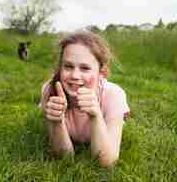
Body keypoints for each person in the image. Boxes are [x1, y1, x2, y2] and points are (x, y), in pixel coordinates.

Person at [40, 30, 130, 168]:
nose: (75, 75)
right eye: (68, 66)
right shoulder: (50, 90)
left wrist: (96, 115)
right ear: (60, 67)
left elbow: (106, 162)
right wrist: (57, 122)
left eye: (85, 68)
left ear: (101, 73)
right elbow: (64, 157)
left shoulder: (114, 95)